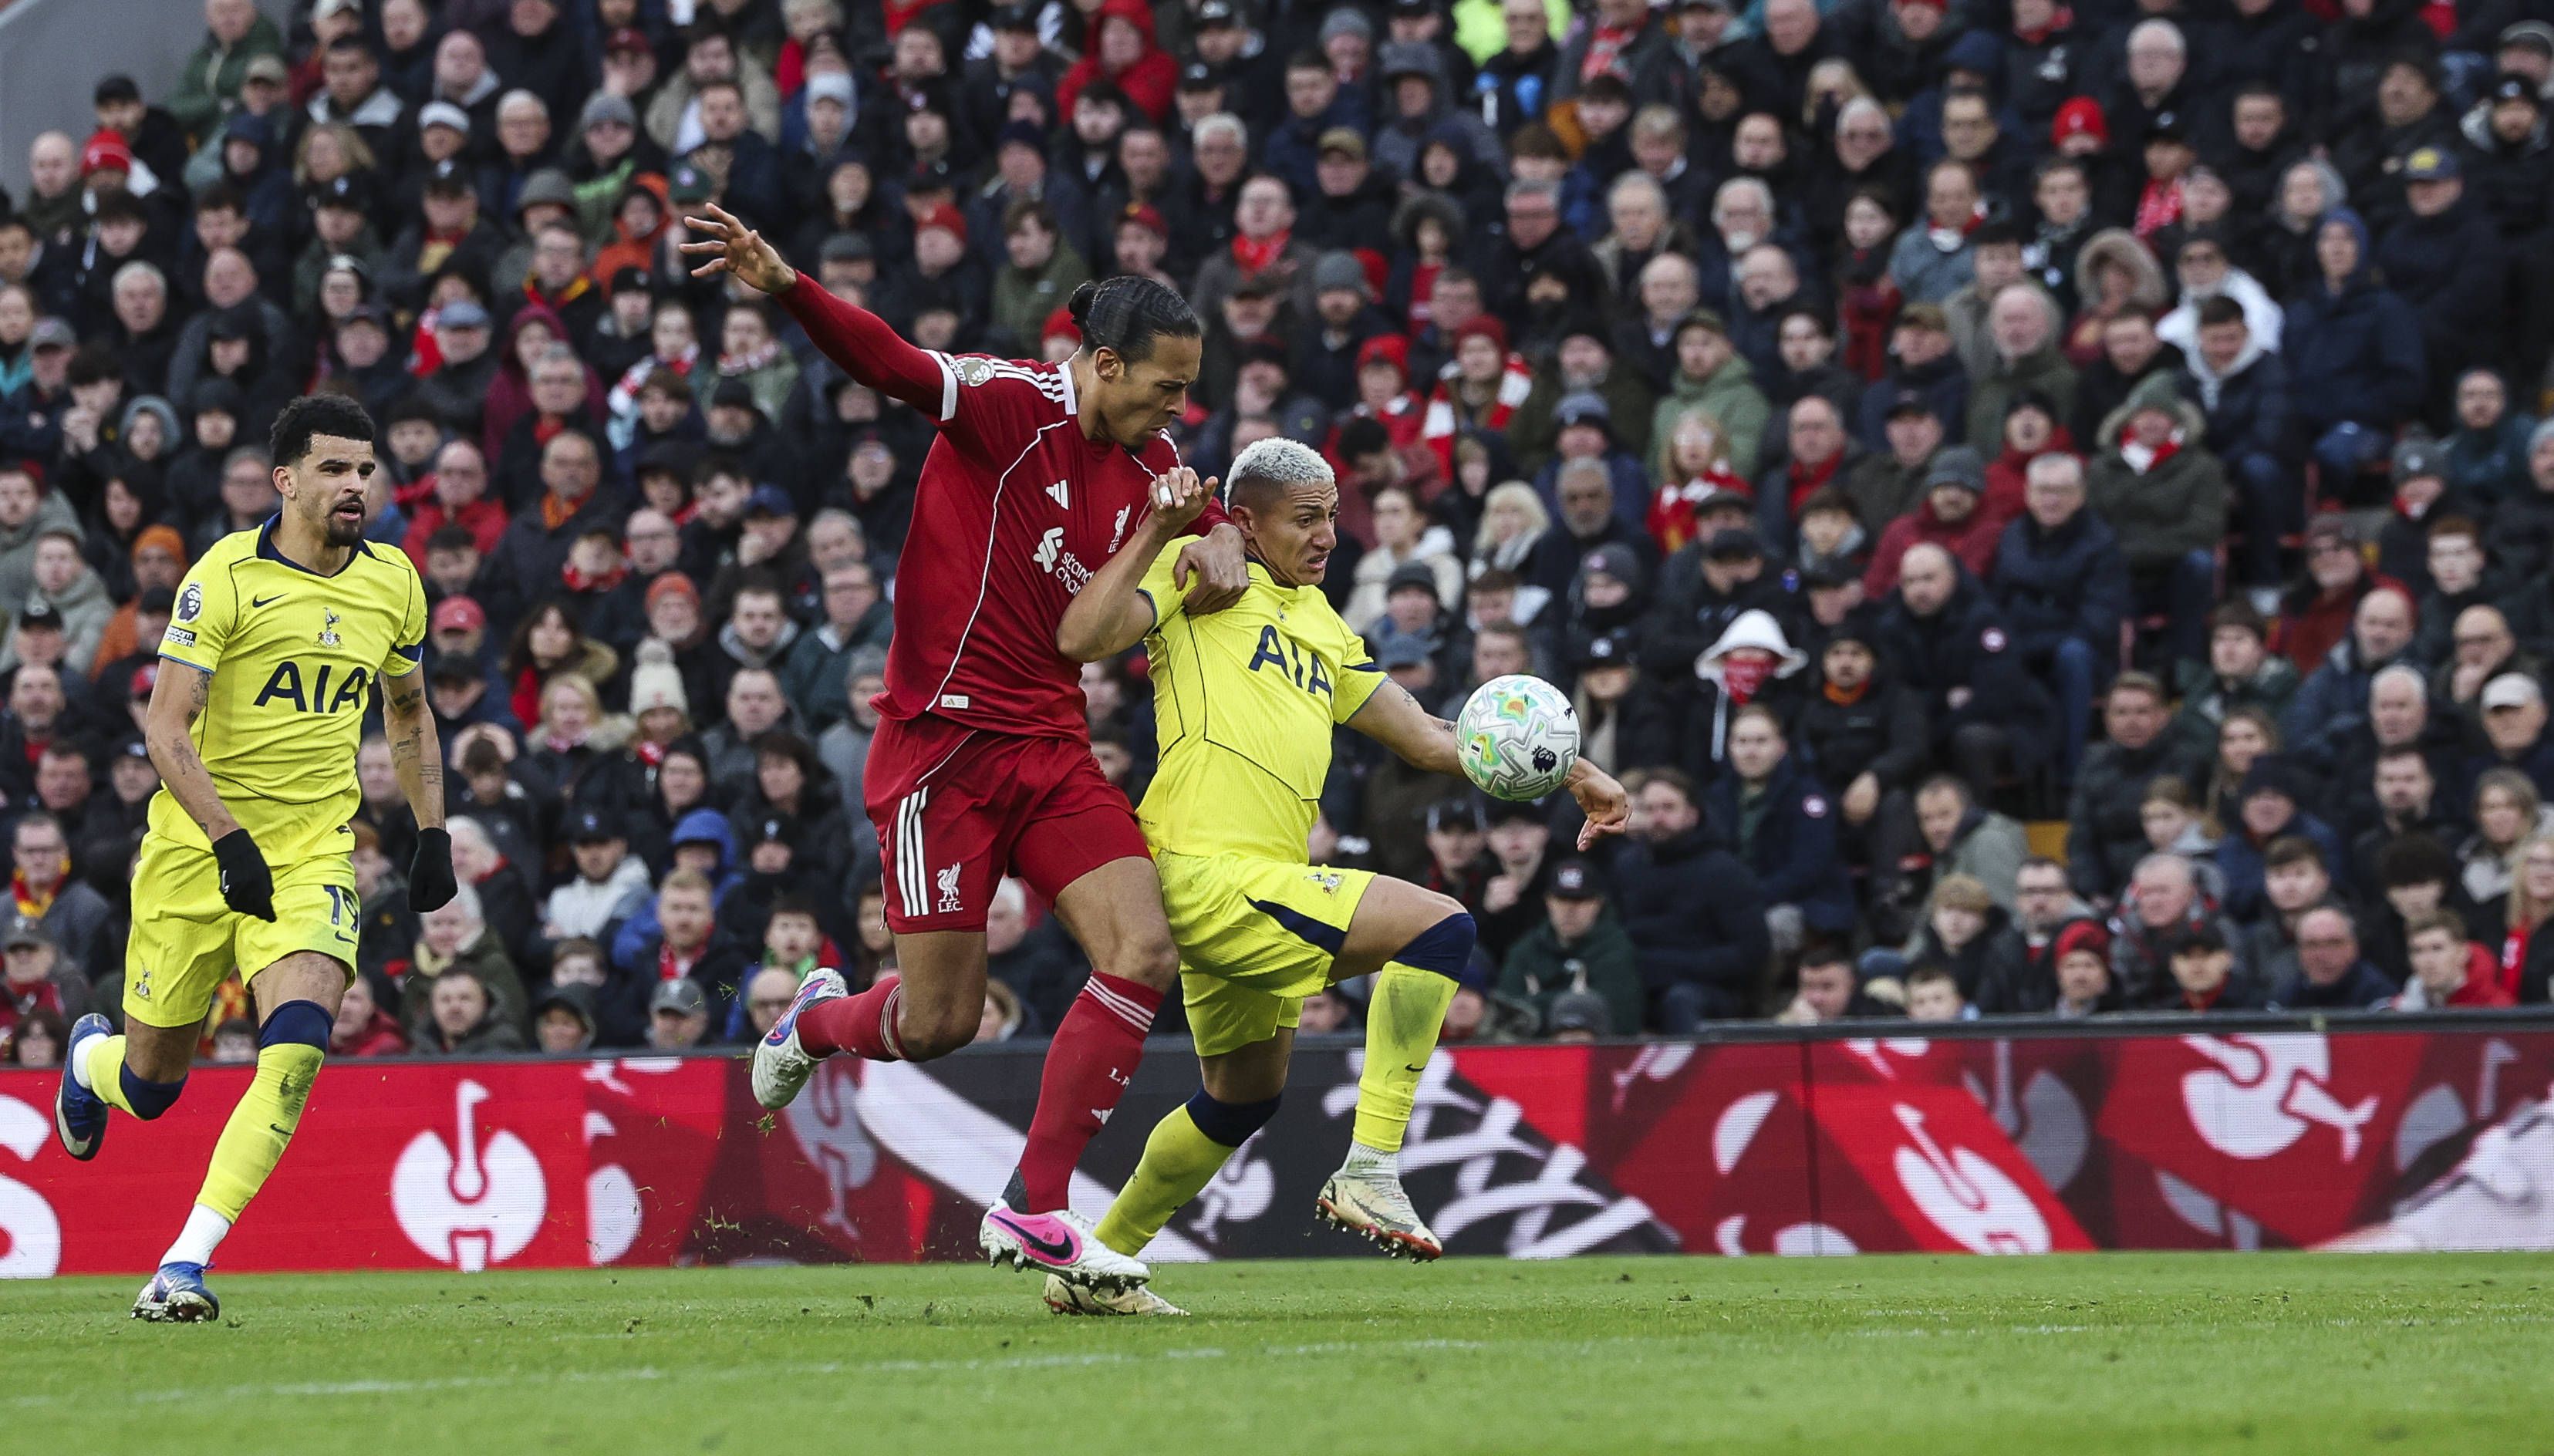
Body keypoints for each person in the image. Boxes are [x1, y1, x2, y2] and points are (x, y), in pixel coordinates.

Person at [686, 205, 1253, 1295]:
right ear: (1099, 363)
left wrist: (1222, 528)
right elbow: (890, 360)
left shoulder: (1155, 455)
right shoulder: (1005, 403)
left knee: (1140, 951)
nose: (1178, 408)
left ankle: (1035, 1208)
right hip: (938, 750)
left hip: (1047, 743)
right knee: (937, 1022)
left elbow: (1202, 502)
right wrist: (789, 284)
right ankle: (818, 1021)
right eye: (1166, 386)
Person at [1039, 438, 1626, 1311]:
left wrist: (1568, 769)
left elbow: (1429, 737)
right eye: (1304, 518)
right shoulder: (1198, 574)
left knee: (1241, 1099)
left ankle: (1099, 1264)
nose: (1326, 536)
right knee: (1441, 925)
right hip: (1202, 869)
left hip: (1258, 880)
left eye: (1330, 518)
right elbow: (1081, 636)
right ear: (1245, 521)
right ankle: (1372, 1166)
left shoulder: (1322, 624)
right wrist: (1178, 546)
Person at [51, 396, 454, 1322]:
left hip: (314, 851)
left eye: (365, 469)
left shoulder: (393, 582)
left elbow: (406, 712)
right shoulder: (224, 578)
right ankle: (91, 1066)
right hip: (200, 850)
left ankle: (183, 1263)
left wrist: (431, 828)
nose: (356, 485)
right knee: (151, 1086)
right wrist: (228, 840)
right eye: (334, 470)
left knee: (298, 1048)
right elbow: (164, 730)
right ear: (285, 480)